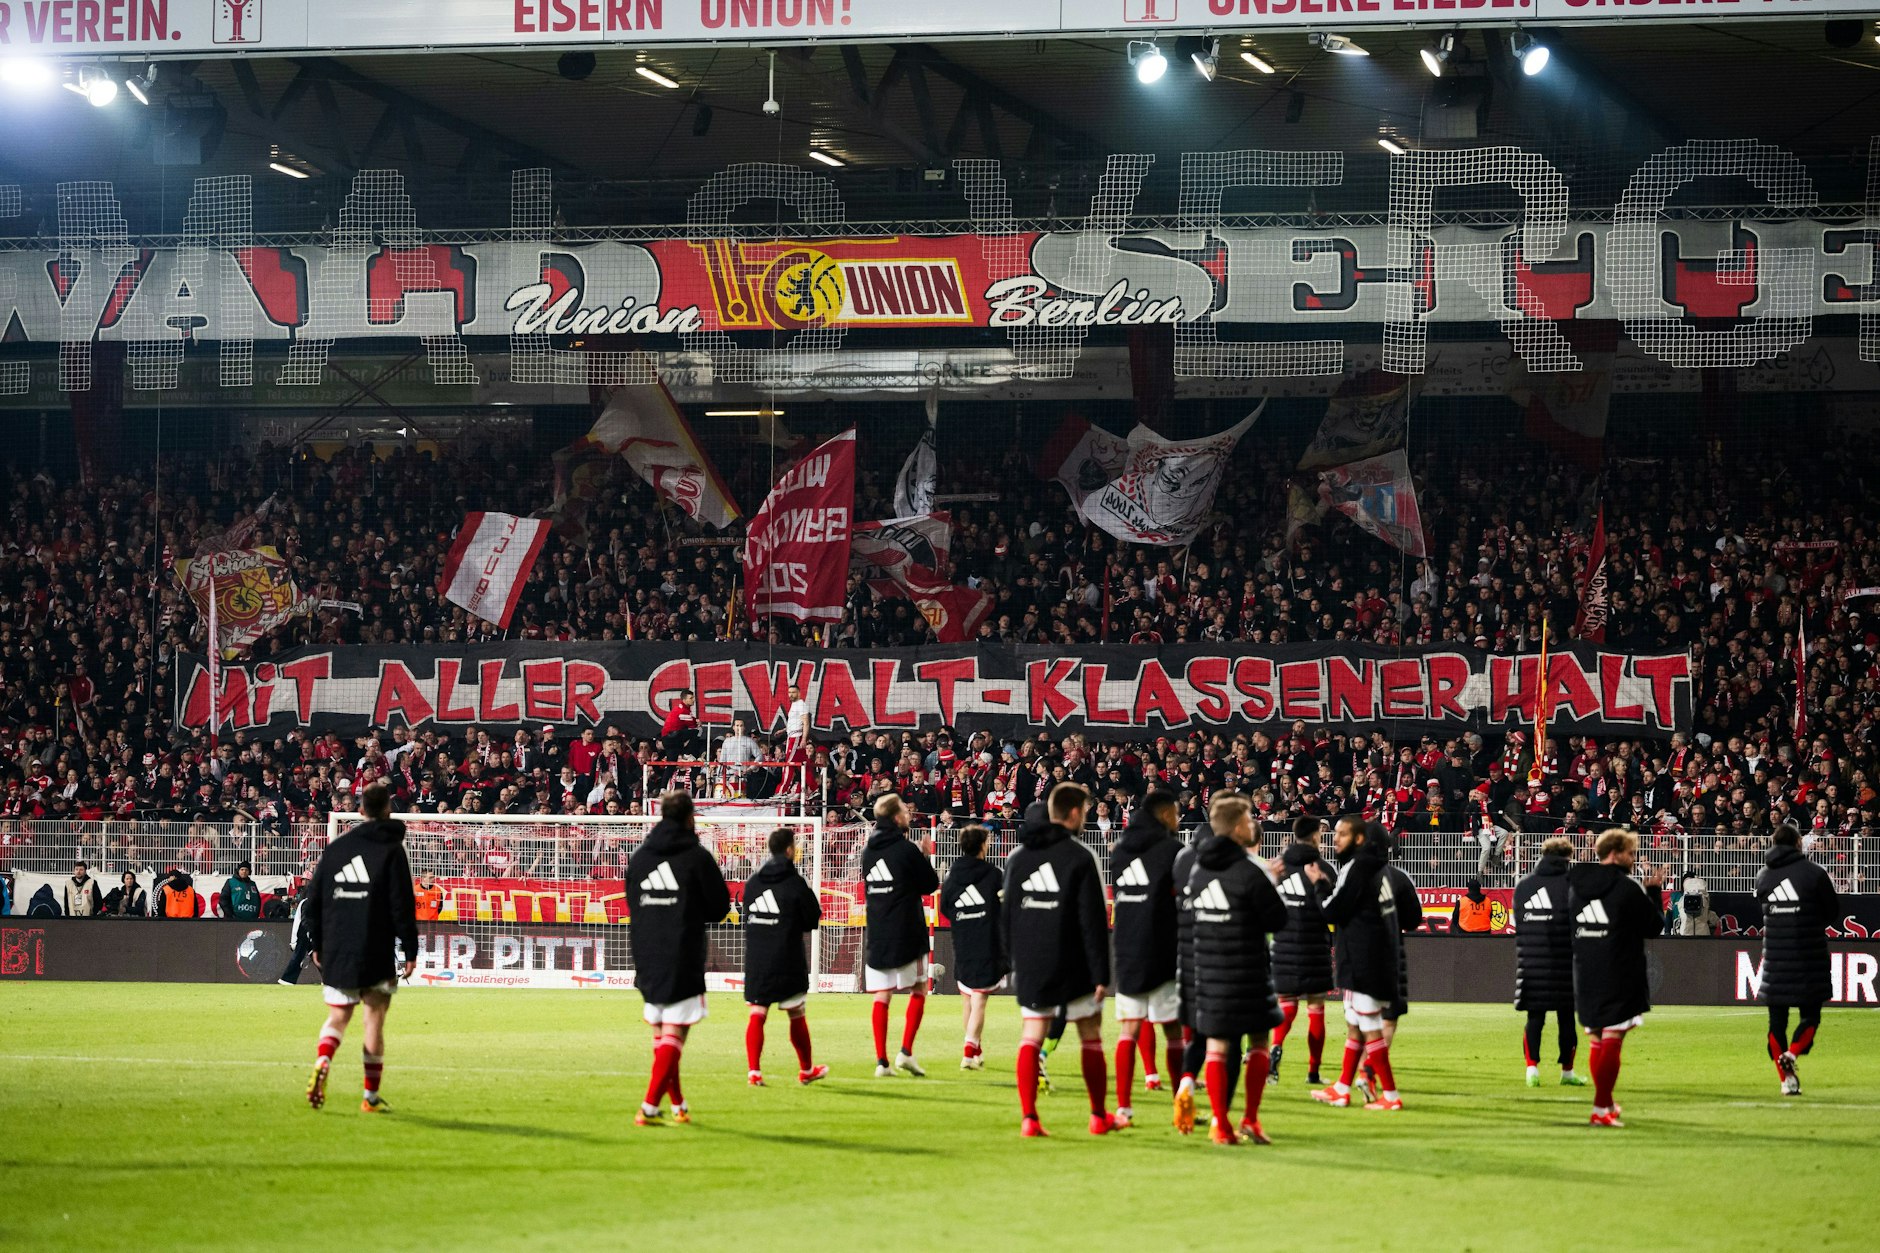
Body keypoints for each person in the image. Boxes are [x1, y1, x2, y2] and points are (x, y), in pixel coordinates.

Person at [1003, 782, 1115, 1137]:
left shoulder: (1018, 858)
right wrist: (1101, 973)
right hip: (1073, 961)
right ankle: (1098, 1116)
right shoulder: (1081, 857)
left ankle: (1029, 1119)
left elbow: (1006, 914)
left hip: (1033, 961)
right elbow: (1093, 920)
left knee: (1032, 1033)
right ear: (1074, 813)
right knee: (1090, 1035)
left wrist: (1012, 959)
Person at [303, 782, 419, 1114]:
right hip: (375, 947)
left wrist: (318, 944)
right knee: (373, 1020)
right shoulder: (392, 850)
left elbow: (313, 902)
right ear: (388, 810)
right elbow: (401, 905)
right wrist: (410, 951)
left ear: (359, 811)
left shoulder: (336, 849)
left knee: (338, 1015)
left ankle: (324, 1058)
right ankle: (369, 1098)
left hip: (339, 946)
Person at [1187, 793, 1289, 1146]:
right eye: (1247, 820)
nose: (1252, 825)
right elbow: (1278, 918)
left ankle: (1219, 1122)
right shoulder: (1249, 871)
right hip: (1248, 969)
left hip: (1209, 969)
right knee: (1258, 1039)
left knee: (1217, 1045)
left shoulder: (1199, 870)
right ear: (1235, 828)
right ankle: (1250, 1119)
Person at [625, 790, 731, 1126]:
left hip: (645, 951)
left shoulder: (640, 857)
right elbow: (719, 907)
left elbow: (631, 901)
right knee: (676, 1032)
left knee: (661, 1034)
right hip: (682, 950)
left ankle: (678, 1104)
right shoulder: (695, 857)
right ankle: (649, 1106)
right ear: (690, 817)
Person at [1569, 828, 1666, 1128]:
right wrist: (1653, 892)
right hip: (1619, 971)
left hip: (1585, 971)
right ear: (1615, 852)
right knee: (1613, 1038)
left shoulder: (1576, 886)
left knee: (1597, 1039)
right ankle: (1600, 1109)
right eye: (1631, 853)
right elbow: (1653, 927)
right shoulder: (1627, 888)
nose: (1634, 859)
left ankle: (1606, 1103)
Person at [1308, 817, 1404, 1111]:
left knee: (1370, 1028)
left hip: (1365, 960)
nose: (1335, 839)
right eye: (1334, 833)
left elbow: (1331, 910)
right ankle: (1342, 1088)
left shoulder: (1357, 867)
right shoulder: (1379, 870)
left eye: (1342, 834)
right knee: (1354, 1024)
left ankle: (1390, 1096)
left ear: (1359, 839)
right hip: (1364, 957)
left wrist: (1320, 885)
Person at [1108, 789, 1183, 1127]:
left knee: (1129, 1029)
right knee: (1172, 1031)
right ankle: (1181, 1105)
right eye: (1176, 813)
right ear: (1165, 815)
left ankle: (1124, 1108)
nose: (1179, 819)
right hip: (1163, 948)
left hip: (1126, 948)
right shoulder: (1173, 851)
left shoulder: (1120, 852)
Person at [1755, 822, 1841, 1096]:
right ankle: (1792, 1054)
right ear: (1797, 844)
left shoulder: (1763, 876)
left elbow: (1764, 909)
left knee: (1776, 1023)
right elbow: (1832, 912)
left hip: (1775, 961)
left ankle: (1786, 1081)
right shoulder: (1814, 873)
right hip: (1808, 958)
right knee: (1811, 1018)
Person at [741, 827, 828, 1087]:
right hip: (787, 955)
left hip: (757, 957)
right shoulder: (795, 882)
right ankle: (806, 1070)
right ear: (790, 850)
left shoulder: (754, 882)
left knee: (757, 1012)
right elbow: (813, 917)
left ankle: (754, 1072)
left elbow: (748, 916)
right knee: (796, 1012)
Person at [861, 793, 940, 1077]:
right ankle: (906, 1052)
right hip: (907, 931)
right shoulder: (906, 850)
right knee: (918, 989)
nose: (909, 816)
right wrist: (926, 856)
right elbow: (930, 885)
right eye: (906, 812)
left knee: (882, 995)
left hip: (878, 932)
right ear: (896, 818)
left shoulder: (868, 852)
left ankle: (881, 1061)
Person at [1270, 817, 1336, 1087]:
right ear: (1317, 837)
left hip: (1283, 944)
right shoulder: (1323, 869)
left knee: (1286, 1004)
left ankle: (1275, 1050)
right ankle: (1313, 1072)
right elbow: (1331, 908)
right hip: (1314, 947)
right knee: (1316, 1008)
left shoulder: (1279, 867)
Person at [1514, 836, 1585, 1088]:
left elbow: (1520, 925)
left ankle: (1531, 1070)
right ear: (1567, 857)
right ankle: (1567, 1072)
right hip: (1565, 963)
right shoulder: (1573, 885)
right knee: (1566, 1019)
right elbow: (1580, 925)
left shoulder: (1524, 886)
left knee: (1535, 1018)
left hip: (1531, 963)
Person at [939, 823, 1007, 1070]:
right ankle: (969, 1052)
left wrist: (962, 916)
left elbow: (944, 906)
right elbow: (1003, 904)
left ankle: (975, 1050)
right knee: (979, 998)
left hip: (962, 938)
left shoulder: (953, 874)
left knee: (967, 996)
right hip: (987, 939)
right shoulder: (993, 873)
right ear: (982, 845)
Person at [277, 879, 314, 986]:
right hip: (304, 934)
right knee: (300, 956)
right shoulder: (306, 903)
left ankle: (287, 979)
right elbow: (300, 922)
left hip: (313, 934)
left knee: (319, 957)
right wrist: (294, 941)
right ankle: (287, 979)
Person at [717, 718, 762, 796]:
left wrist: (750, 769)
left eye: (741, 726)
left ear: (744, 728)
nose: (739, 728)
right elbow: (722, 760)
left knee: (742, 798)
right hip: (728, 775)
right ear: (733, 727)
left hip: (744, 775)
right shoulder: (727, 741)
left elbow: (760, 756)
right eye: (737, 725)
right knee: (727, 798)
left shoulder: (749, 741)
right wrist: (719, 775)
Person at [782, 685, 811, 801]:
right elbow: (794, 722)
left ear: (799, 693)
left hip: (796, 737)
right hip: (791, 735)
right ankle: (814, 788)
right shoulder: (794, 705)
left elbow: (806, 723)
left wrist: (803, 739)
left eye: (793, 692)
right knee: (804, 765)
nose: (791, 695)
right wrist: (784, 730)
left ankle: (783, 790)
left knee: (788, 764)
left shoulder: (801, 705)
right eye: (789, 692)